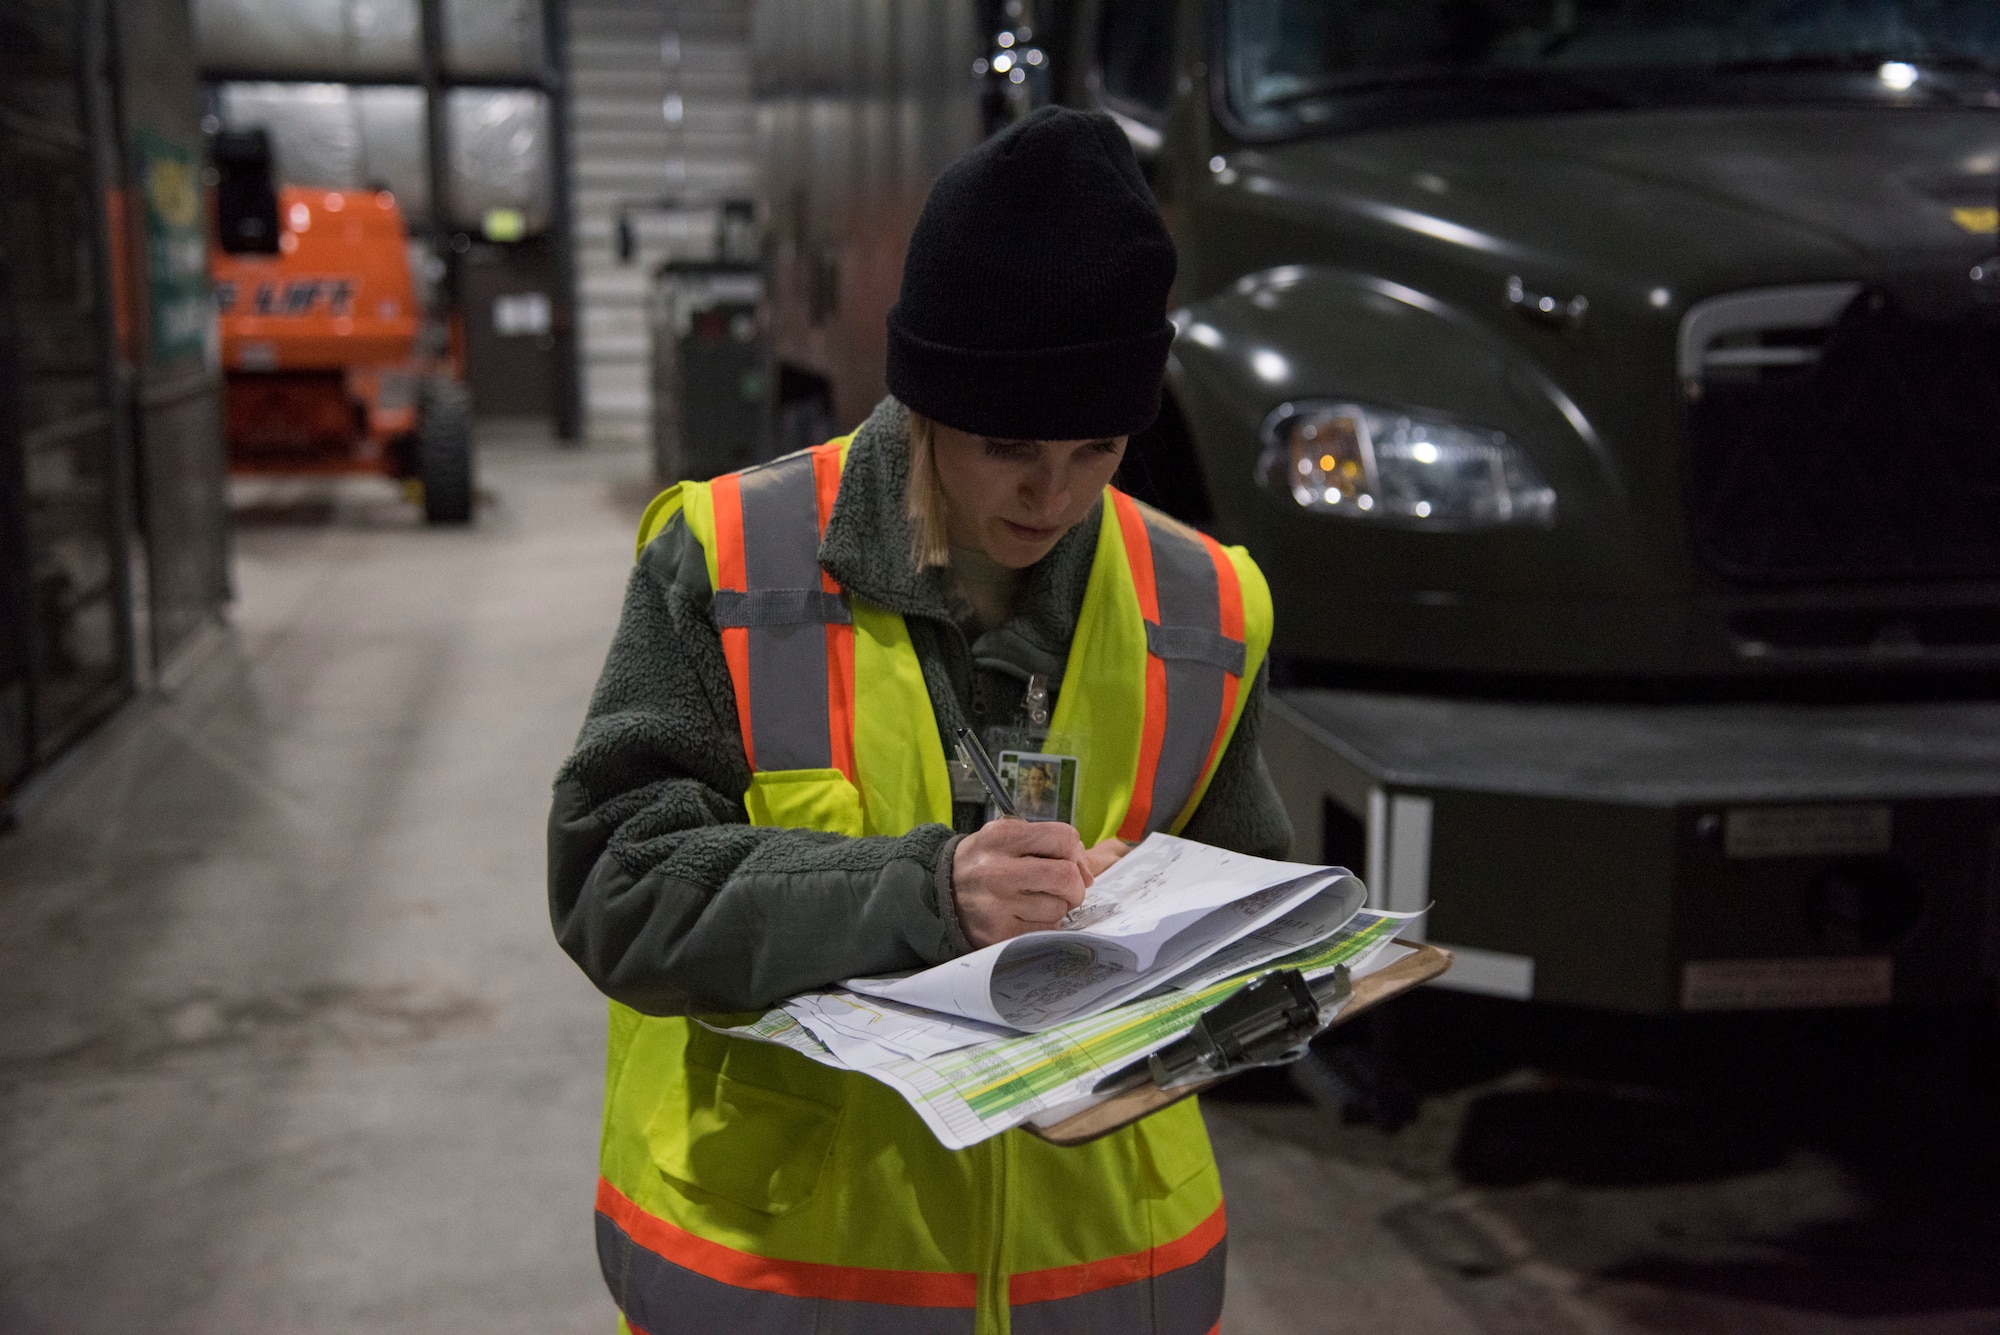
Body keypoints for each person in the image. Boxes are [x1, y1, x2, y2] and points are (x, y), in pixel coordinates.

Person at [549, 105, 1291, 1335]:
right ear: (927, 399)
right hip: (794, 1277)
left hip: (1101, 1273)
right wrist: (927, 894)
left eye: (1097, 446)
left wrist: (1160, 914)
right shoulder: (731, 560)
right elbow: (615, 887)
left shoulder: (1205, 604)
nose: (1052, 494)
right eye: (1006, 443)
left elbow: (1250, 912)